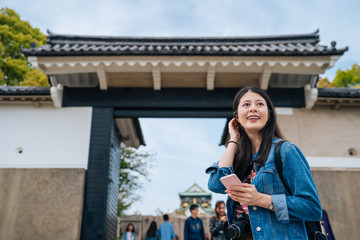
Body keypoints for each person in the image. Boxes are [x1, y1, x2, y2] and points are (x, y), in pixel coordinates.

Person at [206, 86, 322, 240]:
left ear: (268, 115)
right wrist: (233, 140)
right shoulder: (239, 159)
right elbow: (215, 184)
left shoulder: (286, 151)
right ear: (237, 117)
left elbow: (312, 207)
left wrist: (261, 200)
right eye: (246, 105)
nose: (253, 108)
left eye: (259, 104)